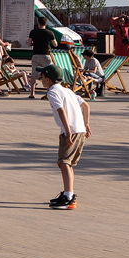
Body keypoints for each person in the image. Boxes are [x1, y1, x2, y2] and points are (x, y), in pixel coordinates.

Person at [39, 66, 91, 210]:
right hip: (79, 130)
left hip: (71, 131)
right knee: (67, 164)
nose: (41, 79)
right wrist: (86, 124)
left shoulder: (52, 92)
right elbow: (86, 106)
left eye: (42, 77)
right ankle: (69, 193)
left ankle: (68, 198)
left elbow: (61, 110)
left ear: (48, 79)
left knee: (63, 163)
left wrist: (68, 133)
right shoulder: (68, 90)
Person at [27, 17, 57, 100]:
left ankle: (32, 93)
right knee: (49, 74)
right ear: (46, 24)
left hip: (36, 55)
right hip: (46, 55)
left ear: (38, 23)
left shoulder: (33, 32)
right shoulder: (50, 33)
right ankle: (48, 93)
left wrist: (35, 44)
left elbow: (29, 44)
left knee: (33, 74)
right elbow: (55, 44)